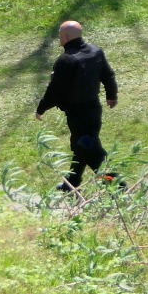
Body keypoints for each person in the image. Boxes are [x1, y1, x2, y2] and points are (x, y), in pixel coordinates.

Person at [35, 20, 118, 191]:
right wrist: (111, 96)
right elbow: (108, 75)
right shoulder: (95, 52)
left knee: (92, 152)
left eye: (59, 34)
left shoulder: (66, 60)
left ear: (65, 37)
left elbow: (55, 90)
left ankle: (117, 186)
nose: (59, 37)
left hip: (78, 115)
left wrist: (41, 108)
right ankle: (71, 184)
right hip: (94, 110)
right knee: (81, 146)